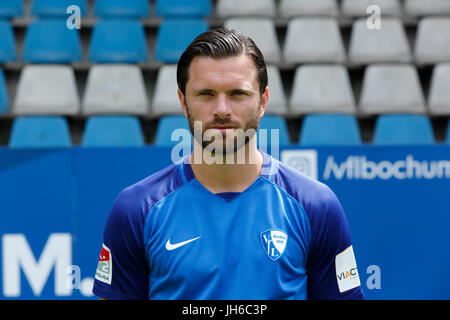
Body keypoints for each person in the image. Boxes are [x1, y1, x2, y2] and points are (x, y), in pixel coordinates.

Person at [92, 28, 364, 300]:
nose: (222, 109)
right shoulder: (136, 209)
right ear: (183, 103)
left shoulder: (316, 206)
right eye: (206, 94)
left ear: (263, 102)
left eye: (237, 93)